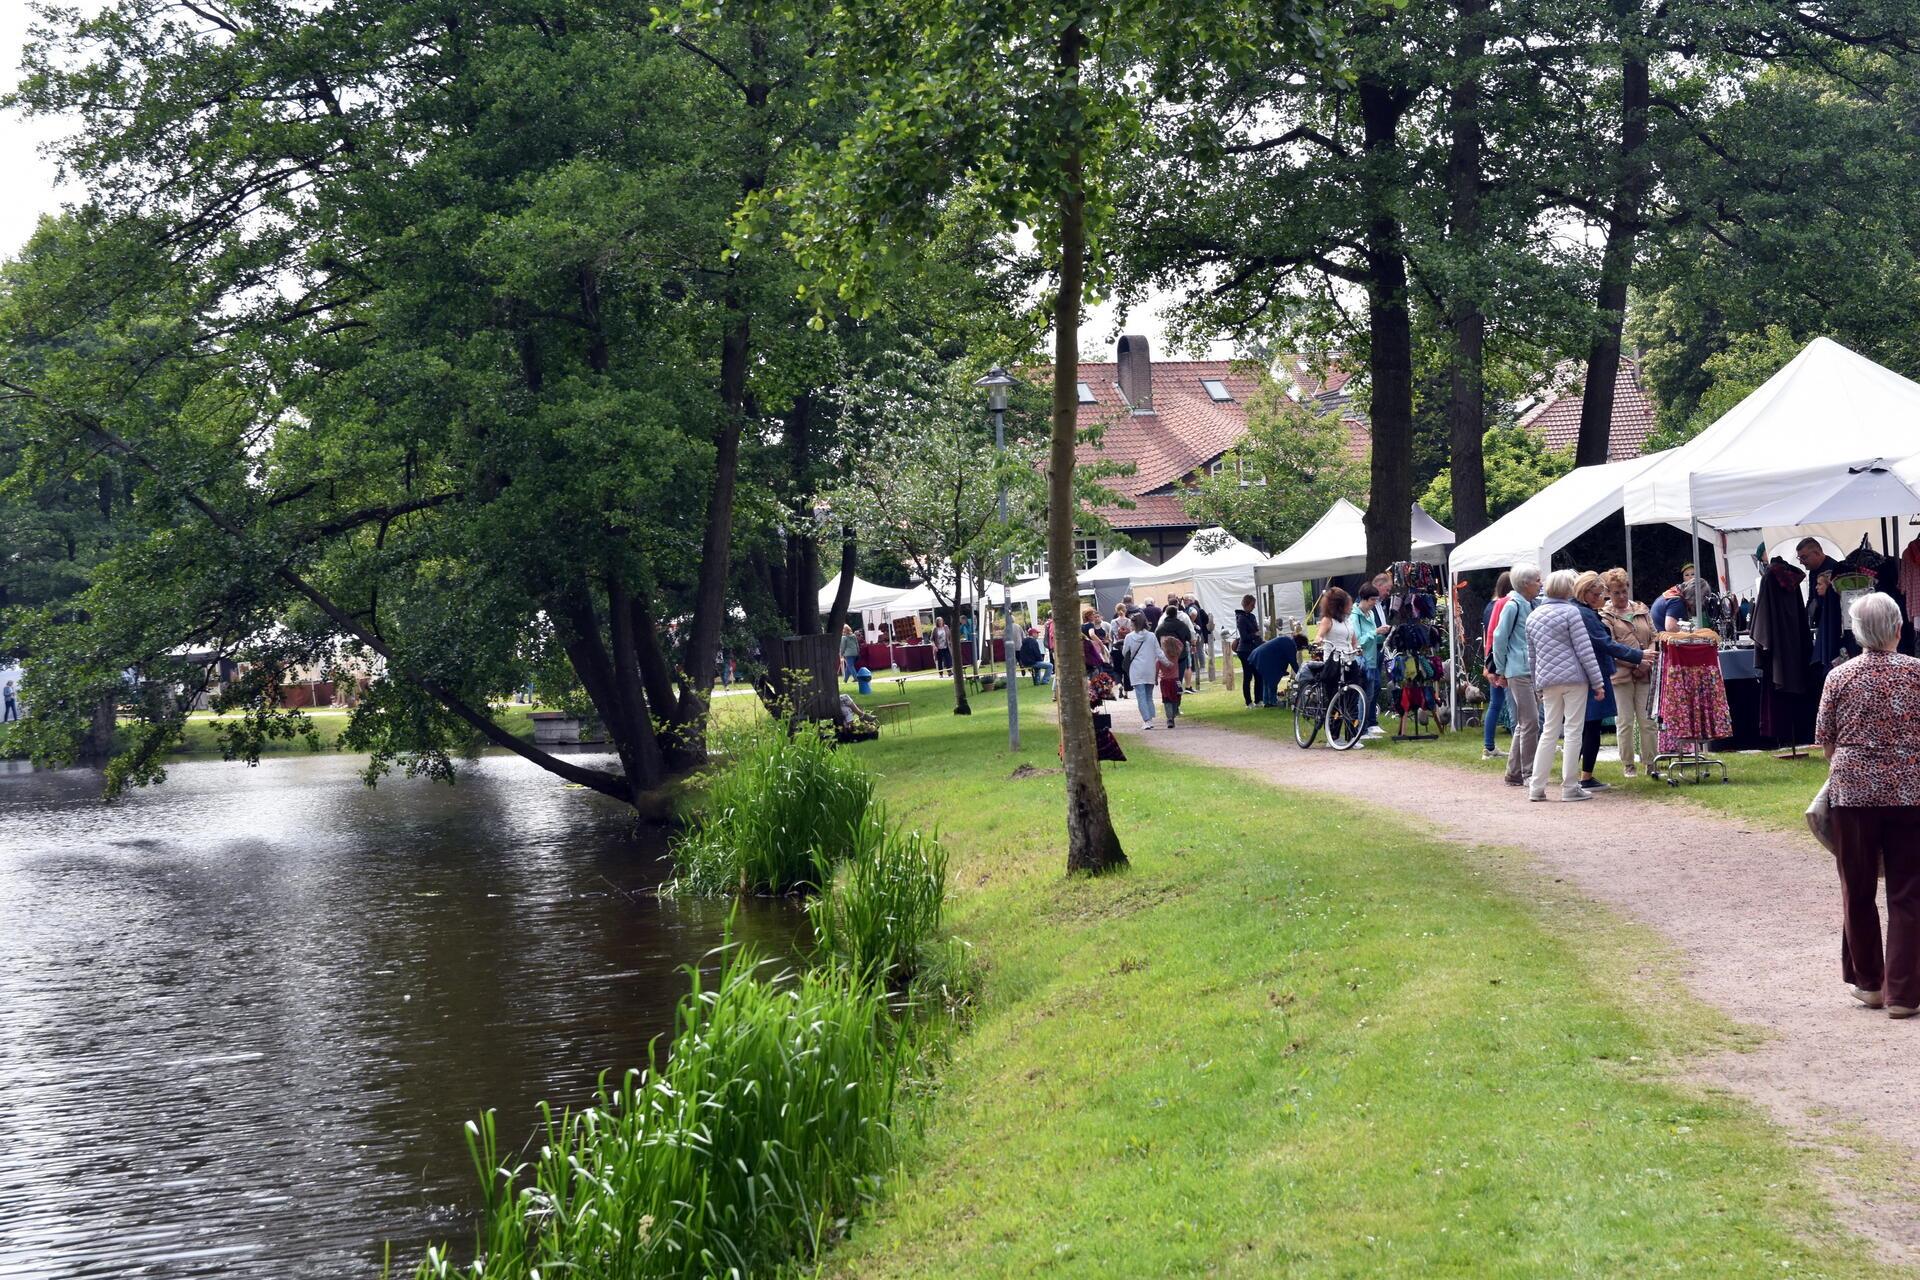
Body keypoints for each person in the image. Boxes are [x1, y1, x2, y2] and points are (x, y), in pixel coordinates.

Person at [1815, 592, 1920, 1016]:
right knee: (1909, 891)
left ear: (1856, 633)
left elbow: (1826, 742)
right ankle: (1904, 993)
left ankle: (1870, 983)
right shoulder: (1918, 674)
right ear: (1898, 629)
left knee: (1857, 889)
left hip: (1853, 795)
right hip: (1912, 792)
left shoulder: (1839, 677)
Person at [1524, 569, 1606, 803]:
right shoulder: (1571, 613)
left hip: (1547, 681)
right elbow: (1584, 650)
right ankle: (1570, 786)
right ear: (1569, 589)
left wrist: (1536, 684)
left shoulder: (1533, 616)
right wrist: (1598, 682)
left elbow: (1532, 657)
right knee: (1573, 731)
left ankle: (1536, 787)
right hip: (1574, 679)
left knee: (1549, 732)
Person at [1572, 570, 1645, 791]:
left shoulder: (1582, 611)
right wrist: (1638, 656)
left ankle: (1576, 776)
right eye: (1599, 593)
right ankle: (1584, 777)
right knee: (1590, 727)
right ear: (1586, 593)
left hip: (1591, 674)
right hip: (1594, 675)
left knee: (1584, 728)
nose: (1603, 598)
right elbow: (1604, 643)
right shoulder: (1585, 614)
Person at [1600, 569, 1657, 778]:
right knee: (1624, 721)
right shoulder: (1605, 616)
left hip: (1645, 673)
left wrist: (1647, 659)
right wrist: (1635, 661)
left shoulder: (1641, 609)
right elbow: (1610, 646)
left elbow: (1654, 636)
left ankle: (1651, 761)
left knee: (1648, 721)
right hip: (1621, 675)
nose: (1622, 596)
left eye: (1624, 591)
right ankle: (1628, 763)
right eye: (1616, 593)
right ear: (1608, 593)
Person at [1493, 563, 1543, 787]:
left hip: (1526, 669)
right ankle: (1528, 771)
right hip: (1518, 670)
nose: (1541, 584)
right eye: (1537, 580)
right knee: (1530, 721)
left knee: (1525, 723)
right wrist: (1501, 669)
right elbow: (1499, 638)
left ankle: (1514, 773)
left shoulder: (1528, 604)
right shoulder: (1513, 605)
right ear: (1526, 584)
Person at [1480, 571, 1513, 759]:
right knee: (1504, 703)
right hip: (1502, 660)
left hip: (1492, 659)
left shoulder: (1489, 606)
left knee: (1495, 703)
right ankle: (1489, 746)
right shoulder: (1504, 605)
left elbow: (1488, 636)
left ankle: (1489, 746)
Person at [1353, 583, 1388, 739]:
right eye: (1372, 600)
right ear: (1364, 599)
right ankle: (1360, 729)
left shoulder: (1370, 614)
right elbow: (1359, 641)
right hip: (1362, 661)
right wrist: (1376, 632)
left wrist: (1385, 634)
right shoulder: (1355, 617)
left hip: (1372, 660)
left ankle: (1365, 727)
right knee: (1362, 697)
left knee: (1370, 696)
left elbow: (1373, 637)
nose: (1375, 603)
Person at [1122, 612, 1160, 729]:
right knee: (1149, 695)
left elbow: (1125, 653)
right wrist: (1168, 663)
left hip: (1136, 669)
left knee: (1141, 696)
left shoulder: (1129, 637)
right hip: (1149, 668)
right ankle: (1150, 717)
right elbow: (1158, 652)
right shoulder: (1151, 636)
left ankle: (1147, 720)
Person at [1248, 633, 1300, 708]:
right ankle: (1273, 702)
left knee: (1266, 681)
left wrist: (1283, 671)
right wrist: (1300, 673)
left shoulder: (1286, 640)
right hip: (1263, 657)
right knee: (1272, 680)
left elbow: (1282, 658)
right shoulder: (1290, 645)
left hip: (1258, 654)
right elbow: (1292, 661)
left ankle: (1267, 701)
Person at [1234, 594, 1263, 706]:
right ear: (1246, 604)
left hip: (1254, 649)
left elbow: (1256, 631)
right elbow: (1244, 637)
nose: (1254, 607)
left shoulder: (1252, 617)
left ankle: (1259, 699)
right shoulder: (1241, 619)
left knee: (1258, 674)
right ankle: (1248, 701)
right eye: (1252, 605)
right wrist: (1255, 634)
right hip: (1245, 651)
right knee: (1248, 676)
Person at [1157, 633, 1185, 728]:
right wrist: (1172, 639)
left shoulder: (1161, 658)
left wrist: (1155, 679)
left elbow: (1156, 668)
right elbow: (1181, 644)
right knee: (1176, 698)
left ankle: (1169, 718)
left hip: (1165, 681)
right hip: (1175, 680)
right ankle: (1174, 713)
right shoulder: (1176, 655)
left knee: (1167, 700)